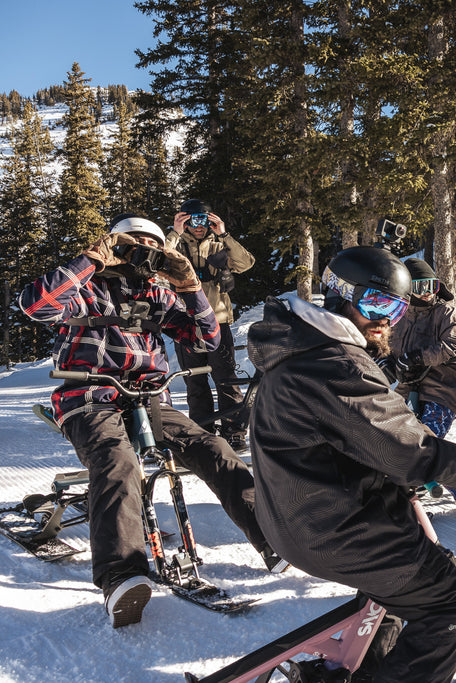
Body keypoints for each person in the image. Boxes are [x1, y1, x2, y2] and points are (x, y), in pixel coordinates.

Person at [18, 214, 285, 629]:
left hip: (149, 400)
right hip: (90, 397)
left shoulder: (158, 293)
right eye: (132, 243)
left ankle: (274, 538)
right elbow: (35, 306)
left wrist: (190, 284)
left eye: (153, 247)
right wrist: (91, 259)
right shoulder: (86, 288)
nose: (142, 253)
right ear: (114, 244)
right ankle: (121, 574)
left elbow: (206, 340)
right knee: (118, 462)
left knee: (214, 448)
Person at [247, 245, 456, 683]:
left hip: (301, 518)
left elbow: (357, 437)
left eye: (396, 308)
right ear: (340, 293)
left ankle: (367, 667)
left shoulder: (304, 348)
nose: (385, 319)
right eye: (375, 302)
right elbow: (407, 451)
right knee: (449, 599)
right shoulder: (335, 362)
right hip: (335, 528)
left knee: (403, 588)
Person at [378, 258, 456, 525]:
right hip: (407, 386)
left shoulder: (445, 310)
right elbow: (382, 343)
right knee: (393, 436)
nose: (427, 292)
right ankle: (398, 500)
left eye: (432, 285)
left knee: (429, 444)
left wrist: (418, 357)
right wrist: (385, 362)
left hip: (443, 385)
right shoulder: (397, 315)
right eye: (420, 285)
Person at [165, 199, 255, 451]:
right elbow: (157, 261)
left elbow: (246, 263)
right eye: (193, 220)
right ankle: (202, 428)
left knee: (226, 377)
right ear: (184, 220)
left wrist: (224, 233)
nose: (199, 226)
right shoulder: (177, 245)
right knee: (195, 381)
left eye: (204, 220)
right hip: (186, 322)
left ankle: (234, 430)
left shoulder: (219, 243)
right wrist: (175, 232)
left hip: (218, 319)